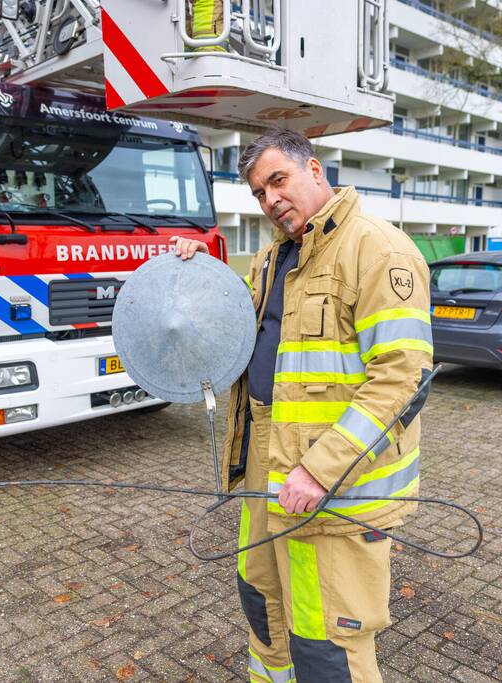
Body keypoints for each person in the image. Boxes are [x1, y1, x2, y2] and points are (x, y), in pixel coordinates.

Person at [170, 128, 433, 683]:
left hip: (334, 484)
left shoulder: (378, 249)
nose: (270, 200)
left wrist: (320, 469)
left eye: (278, 180)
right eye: (259, 193)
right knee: (263, 608)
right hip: (265, 468)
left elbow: (400, 380)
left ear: (315, 170)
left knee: (328, 643)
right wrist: (197, 273)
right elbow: (233, 333)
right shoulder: (271, 258)